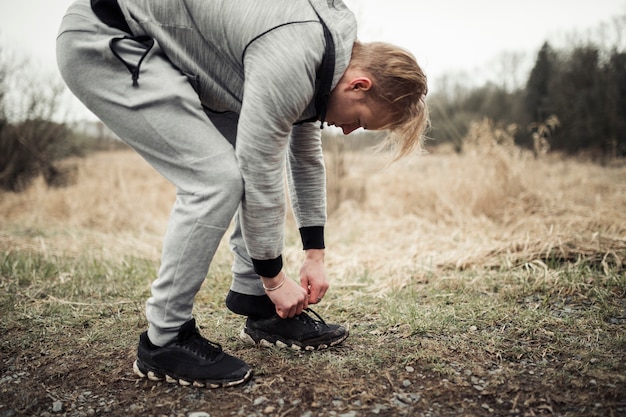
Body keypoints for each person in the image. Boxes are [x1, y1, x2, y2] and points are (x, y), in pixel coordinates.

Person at [56, 0, 429, 388]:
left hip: (167, 53)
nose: (349, 131)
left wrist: (314, 256)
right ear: (359, 84)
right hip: (106, 38)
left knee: (239, 169)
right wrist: (274, 279)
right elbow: (260, 169)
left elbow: (304, 158)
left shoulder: (325, 57)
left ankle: (257, 303)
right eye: (360, 121)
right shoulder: (293, 54)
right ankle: (164, 341)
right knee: (215, 180)